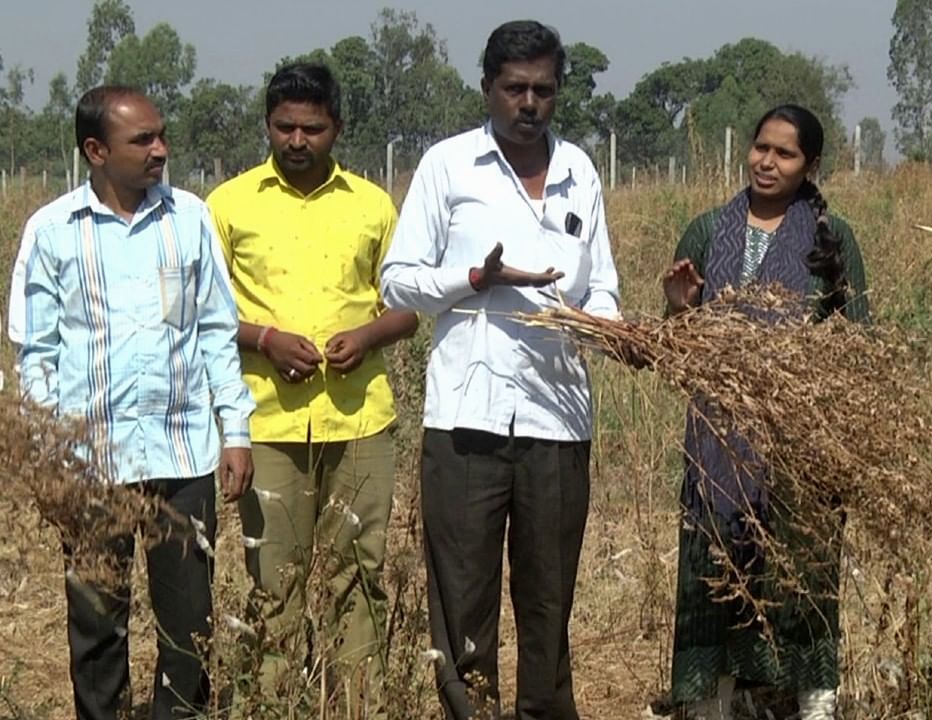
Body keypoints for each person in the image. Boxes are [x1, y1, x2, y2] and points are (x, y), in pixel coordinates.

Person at [379, 20, 620, 720]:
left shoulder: (580, 170)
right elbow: (398, 282)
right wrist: (473, 278)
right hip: (466, 419)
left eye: (543, 89)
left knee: (549, 598)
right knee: (462, 598)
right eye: (514, 88)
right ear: (486, 88)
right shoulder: (448, 167)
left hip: (557, 416)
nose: (529, 103)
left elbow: (600, 282)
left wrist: (599, 322)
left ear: (558, 92)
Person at [9, 86, 254, 720]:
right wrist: (48, 458)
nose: (161, 150)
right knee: (97, 627)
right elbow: (36, 353)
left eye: (161, 135)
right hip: (90, 466)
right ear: (95, 150)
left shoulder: (189, 219)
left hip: (184, 454)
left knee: (188, 628)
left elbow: (214, 331)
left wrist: (236, 431)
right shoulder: (54, 232)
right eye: (142, 140)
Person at [206, 62, 417, 708]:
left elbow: (408, 305)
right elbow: (201, 309)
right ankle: (268, 704)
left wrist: (367, 337)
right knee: (274, 583)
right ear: (267, 125)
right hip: (264, 423)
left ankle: (357, 703)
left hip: (358, 423)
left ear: (338, 129)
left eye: (313, 129)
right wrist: (264, 340)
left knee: (360, 575)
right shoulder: (228, 205)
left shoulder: (372, 204)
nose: (297, 141)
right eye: (284, 127)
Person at [661, 104, 870, 720]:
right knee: (712, 563)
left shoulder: (834, 238)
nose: (767, 162)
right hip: (718, 443)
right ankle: (708, 702)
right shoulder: (705, 231)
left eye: (785, 153)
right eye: (760, 148)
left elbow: (855, 342)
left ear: (811, 166)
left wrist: (809, 404)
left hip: (800, 439)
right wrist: (680, 308)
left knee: (802, 569)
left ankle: (813, 700)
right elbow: (677, 349)